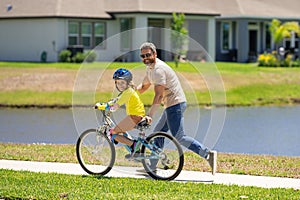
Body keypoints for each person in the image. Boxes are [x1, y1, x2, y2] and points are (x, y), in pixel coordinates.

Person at [137, 42, 217, 175]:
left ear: (155, 54)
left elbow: (158, 95)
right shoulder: (150, 68)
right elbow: (144, 86)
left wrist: (149, 115)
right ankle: (151, 166)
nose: (145, 57)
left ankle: (207, 154)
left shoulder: (158, 69)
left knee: (179, 136)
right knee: (158, 133)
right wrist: (130, 94)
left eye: (148, 54)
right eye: (143, 55)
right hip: (170, 105)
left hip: (176, 105)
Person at [104, 68, 145, 157]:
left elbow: (117, 105)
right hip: (137, 116)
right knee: (120, 131)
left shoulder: (127, 92)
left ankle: (133, 145)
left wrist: (109, 108)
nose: (120, 85)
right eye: (118, 83)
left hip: (134, 117)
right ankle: (135, 150)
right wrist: (106, 104)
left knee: (112, 133)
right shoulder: (128, 91)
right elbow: (116, 100)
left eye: (122, 82)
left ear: (128, 82)